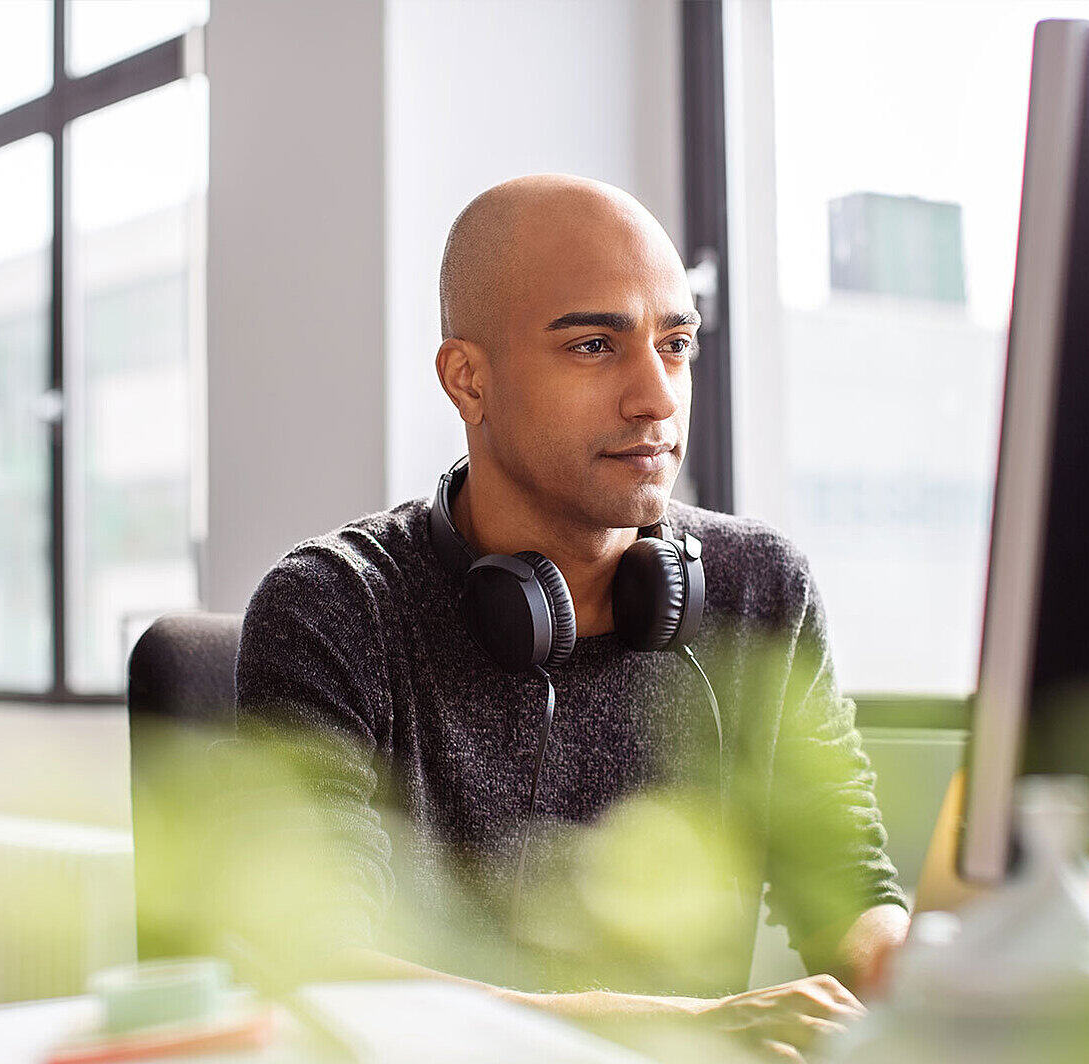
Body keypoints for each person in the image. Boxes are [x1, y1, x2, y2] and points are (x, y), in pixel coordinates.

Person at [234, 174, 909, 1060]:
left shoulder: (756, 588)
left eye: (676, 345)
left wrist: (932, 977)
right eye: (596, 345)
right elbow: (315, 971)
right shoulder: (333, 608)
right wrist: (687, 1032)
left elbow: (847, 884)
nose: (657, 398)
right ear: (467, 380)